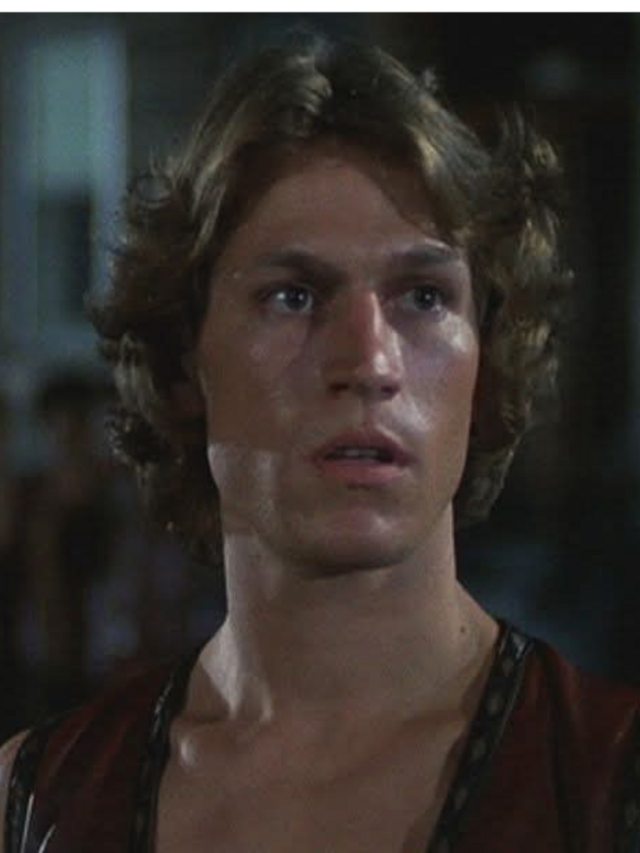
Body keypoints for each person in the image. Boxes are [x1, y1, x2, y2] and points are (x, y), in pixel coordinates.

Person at [1, 36, 638, 853]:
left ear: (486, 361)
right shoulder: (39, 799)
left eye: (423, 296)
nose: (368, 362)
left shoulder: (606, 779)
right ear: (186, 359)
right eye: (293, 296)